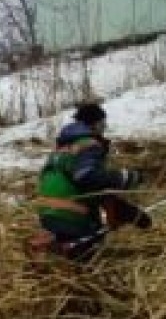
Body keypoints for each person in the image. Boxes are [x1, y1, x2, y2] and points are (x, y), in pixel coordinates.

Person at [33, 103, 151, 261]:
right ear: (95, 124)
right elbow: (88, 177)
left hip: (47, 214)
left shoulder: (64, 147)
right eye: (103, 124)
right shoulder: (88, 144)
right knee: (90, 257)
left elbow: (91, 189)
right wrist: (125, 178)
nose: (104, 128)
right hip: (70, 216)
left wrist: (122, 210)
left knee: (70, 256)